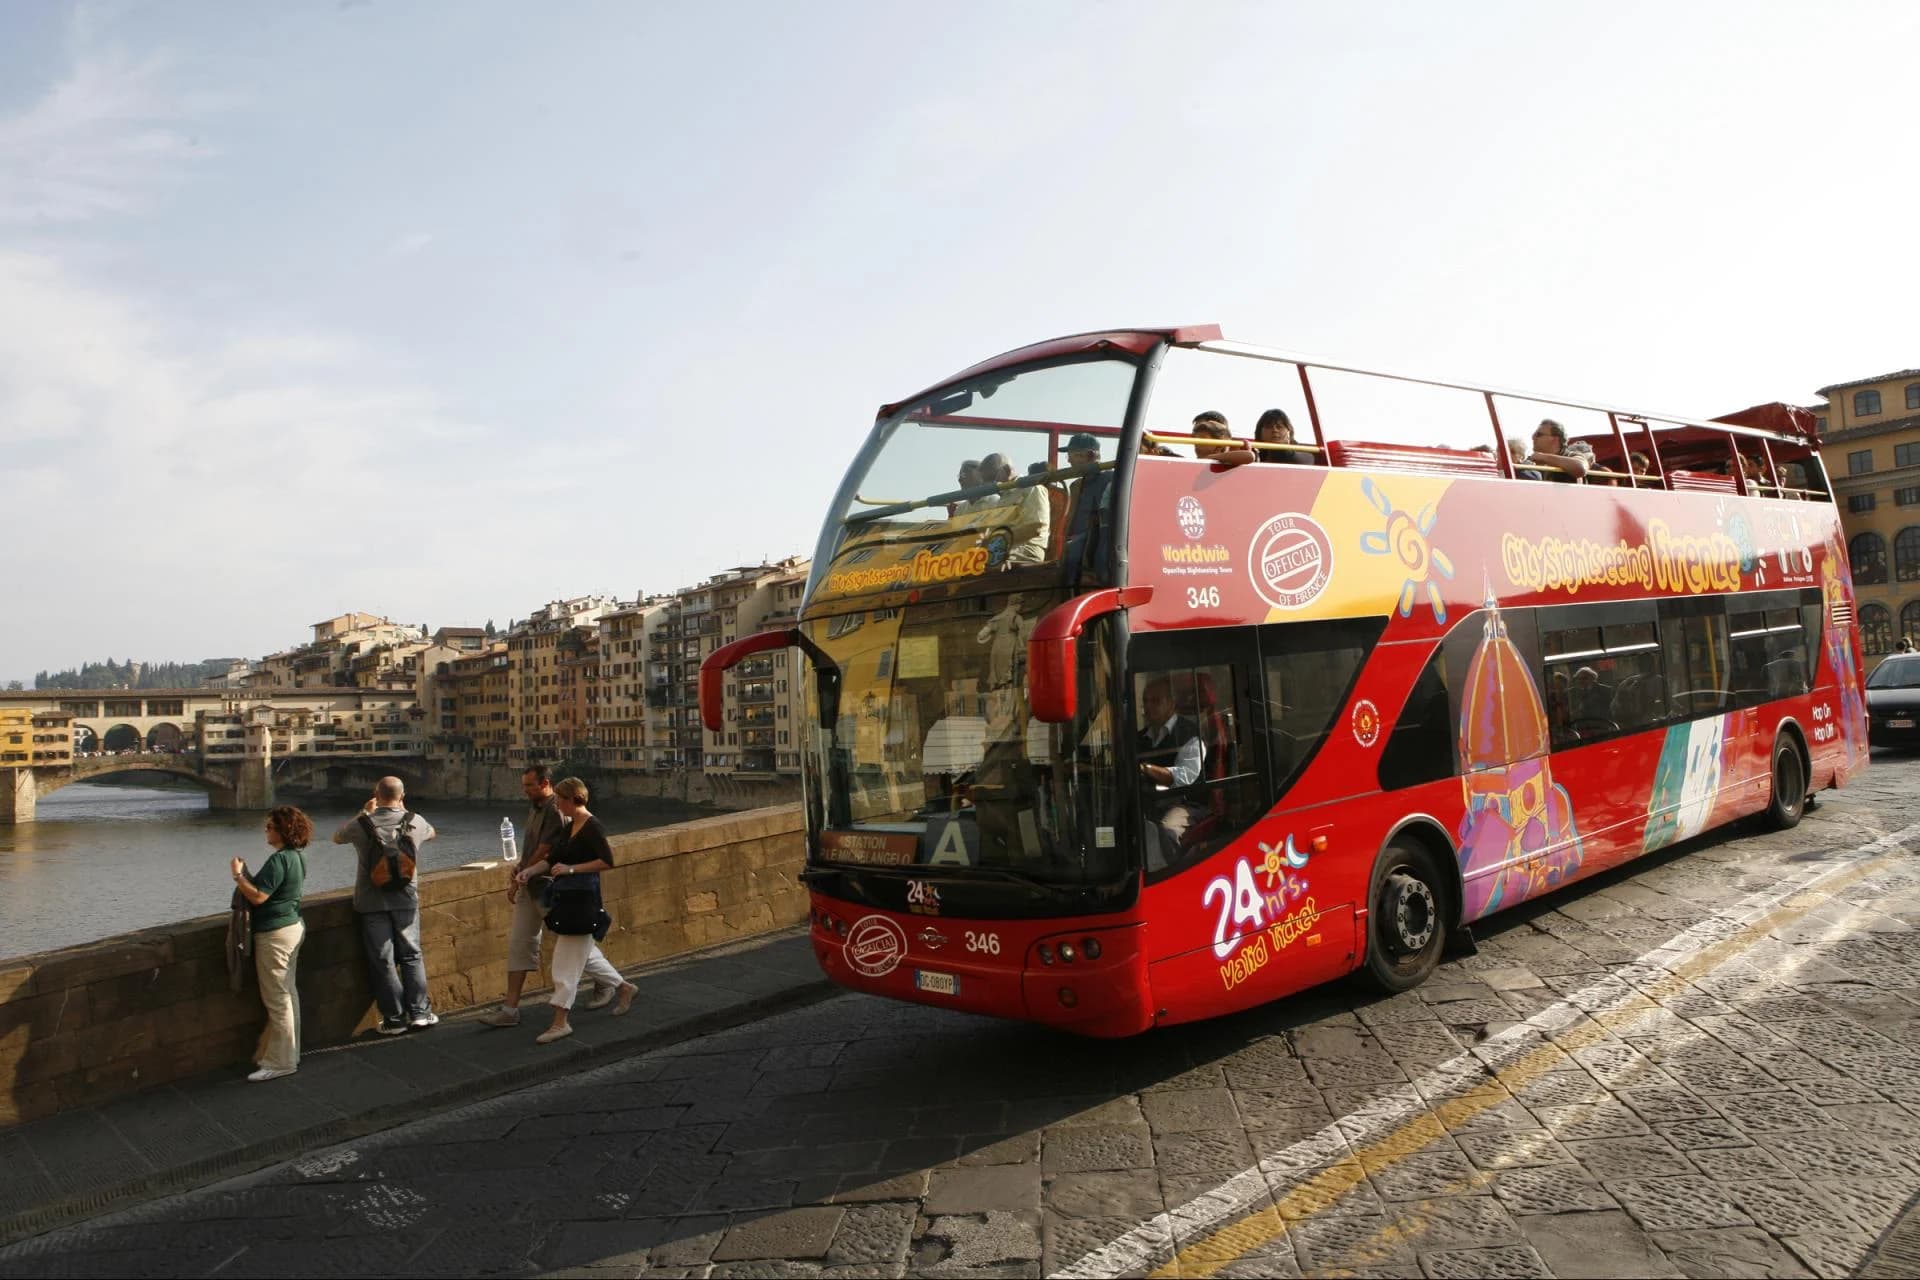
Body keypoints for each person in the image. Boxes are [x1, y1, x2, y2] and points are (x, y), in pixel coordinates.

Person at [481, 765, 610, 1027]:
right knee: (520, 943)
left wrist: (525, 871)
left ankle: (609, 983)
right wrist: (522, 871)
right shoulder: (537, 807)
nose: (525, 790)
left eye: (529, 785)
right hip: (532, 885)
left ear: (545, 784)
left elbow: (546, 850)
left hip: (551, 889)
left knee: (575, 943)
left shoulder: (555, 809)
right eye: (524, 785)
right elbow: (533, 848)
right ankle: (510, 1010)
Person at [515, 777, 636, 1043]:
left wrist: (571, 869)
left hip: (582, 901)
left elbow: (607, 861)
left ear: (572, 799)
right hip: (568, 900)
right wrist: (529, 871)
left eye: (559, 799)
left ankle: (560, 1023)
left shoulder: (592, 826)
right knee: (587, 957)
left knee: (564, 966)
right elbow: (552, 859)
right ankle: (624, 987)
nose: (556, 804)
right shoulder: (569, 827)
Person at [332, 776, 438, 1035]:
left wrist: (364, 812)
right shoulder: (415, 821)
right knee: (412, 954)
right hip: (406, 898)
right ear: (402, 797)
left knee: (383, 960)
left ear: (375, 795)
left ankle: (394, 1019)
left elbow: (337, 837)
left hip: (371, 901)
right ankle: (420, 1014)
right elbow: (433, 833)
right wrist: (404, 815)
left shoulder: (361, 824)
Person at [230, 805, 311, 1082]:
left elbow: (259, 897)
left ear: (283, 830)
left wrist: (238, 876)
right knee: (289, 995)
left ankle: (281, 1062)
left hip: (275, 934)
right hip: (292, 927)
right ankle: (291, 1054)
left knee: (277, 999)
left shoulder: (279, 861)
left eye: (269, 827)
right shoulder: (296, 858)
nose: (266, 830)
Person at [1136, 677, 1206, 873]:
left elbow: (1185, 777)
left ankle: (1170, 876)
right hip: (1151, 800)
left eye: (1156, 701)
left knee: (1166, 830)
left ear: (1172, 704)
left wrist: (1145, 769)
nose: (1148, 707)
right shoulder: (1139, 737)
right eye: (1145, 701)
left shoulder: (1190, 734)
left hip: (1185, 803)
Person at [977, 452, 1050, 564]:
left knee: (983, 563)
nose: (988, 486)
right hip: (1002, 548)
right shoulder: (1003, 498)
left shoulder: (1032, 488)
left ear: (1006, 470)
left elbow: (1036, 528)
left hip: (1027, 550)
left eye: (991, 479)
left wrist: (999, 540)